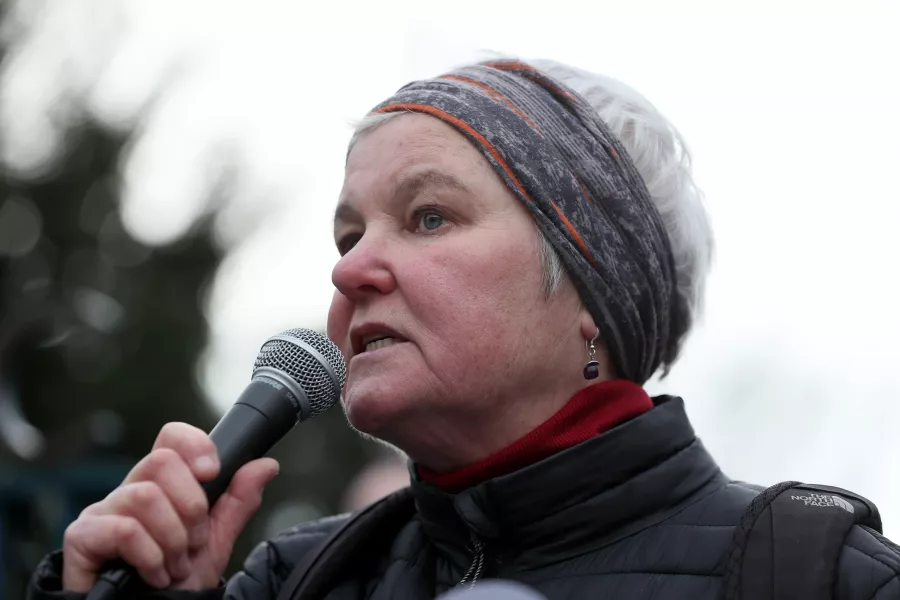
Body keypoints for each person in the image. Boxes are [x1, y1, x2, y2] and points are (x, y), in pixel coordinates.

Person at [27, 59, 900, 600]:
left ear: (593, 285)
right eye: (347, 234)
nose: (349, 269)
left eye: (429, 217)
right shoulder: (295, 582)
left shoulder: (824, 577)